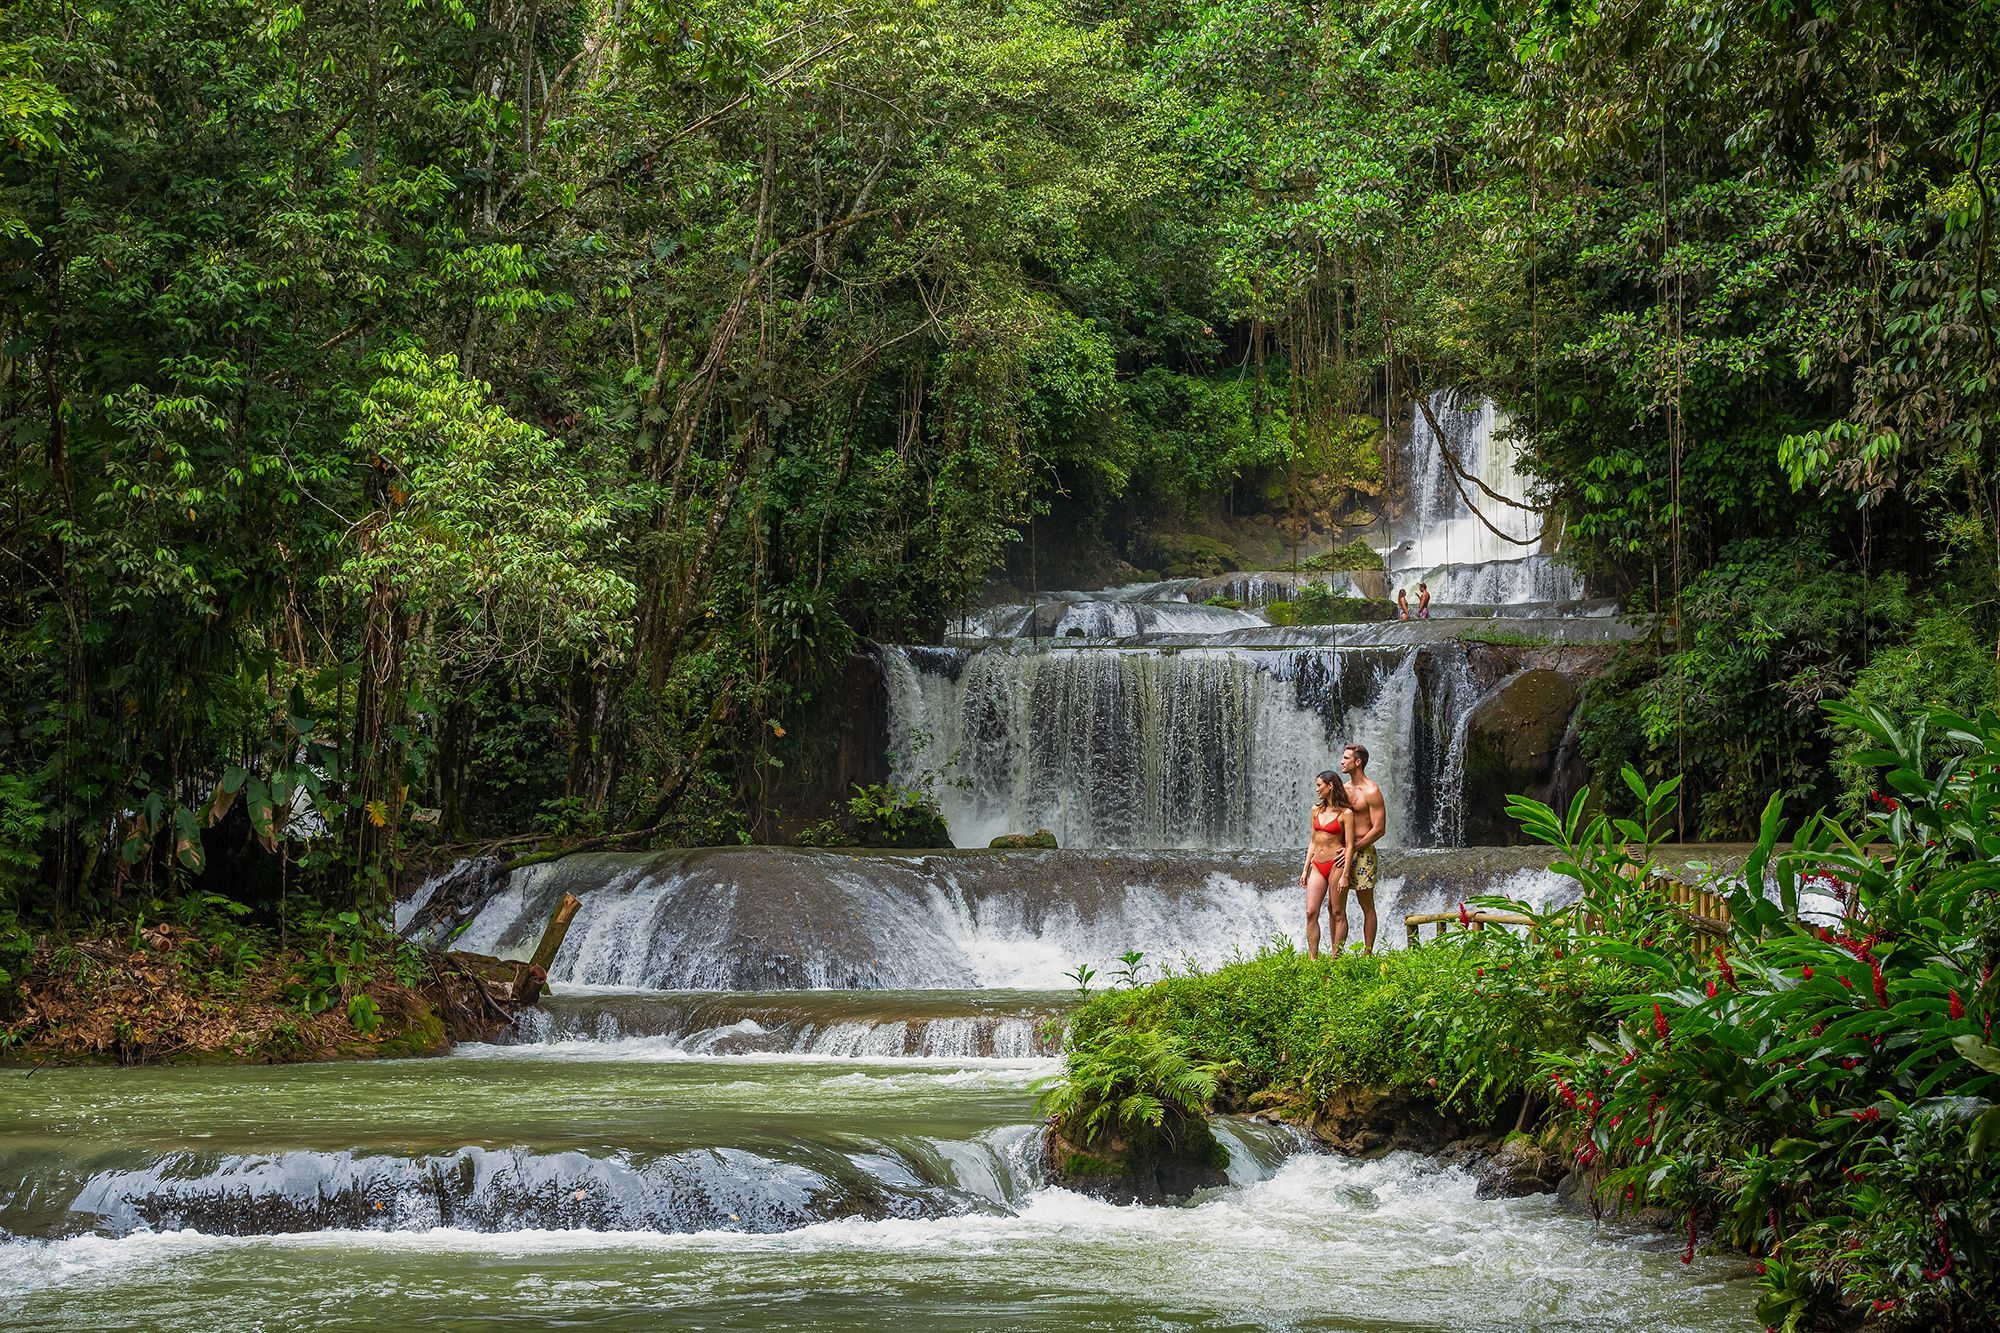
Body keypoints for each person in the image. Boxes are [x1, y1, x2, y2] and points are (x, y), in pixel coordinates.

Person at [1333, 743, 1386, 953]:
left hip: (1363, 852)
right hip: (1341, 852)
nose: (1341, 761)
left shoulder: (1371, 791)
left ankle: (1367, 953)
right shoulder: (1342, 789)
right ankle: (1336, 953)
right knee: (1335, 905)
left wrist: (1353, 848)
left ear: (1358, 762)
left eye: (1346, 758)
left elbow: (1379, 829)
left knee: (1366, 905)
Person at [1297, 770, 1355, 960]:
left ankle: (1336, 959)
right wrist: (1305, 868)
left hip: (1336, 865)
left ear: (1330, 786)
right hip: (1317, 865)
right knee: (1310, 911)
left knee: (1337, 912)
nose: (1317, 789)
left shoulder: (1346, 813)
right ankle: (1313, 960)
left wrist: (1345, 875)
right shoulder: (1316, 810)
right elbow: (1313, 841)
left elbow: (1350, 845)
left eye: (1319, 785)